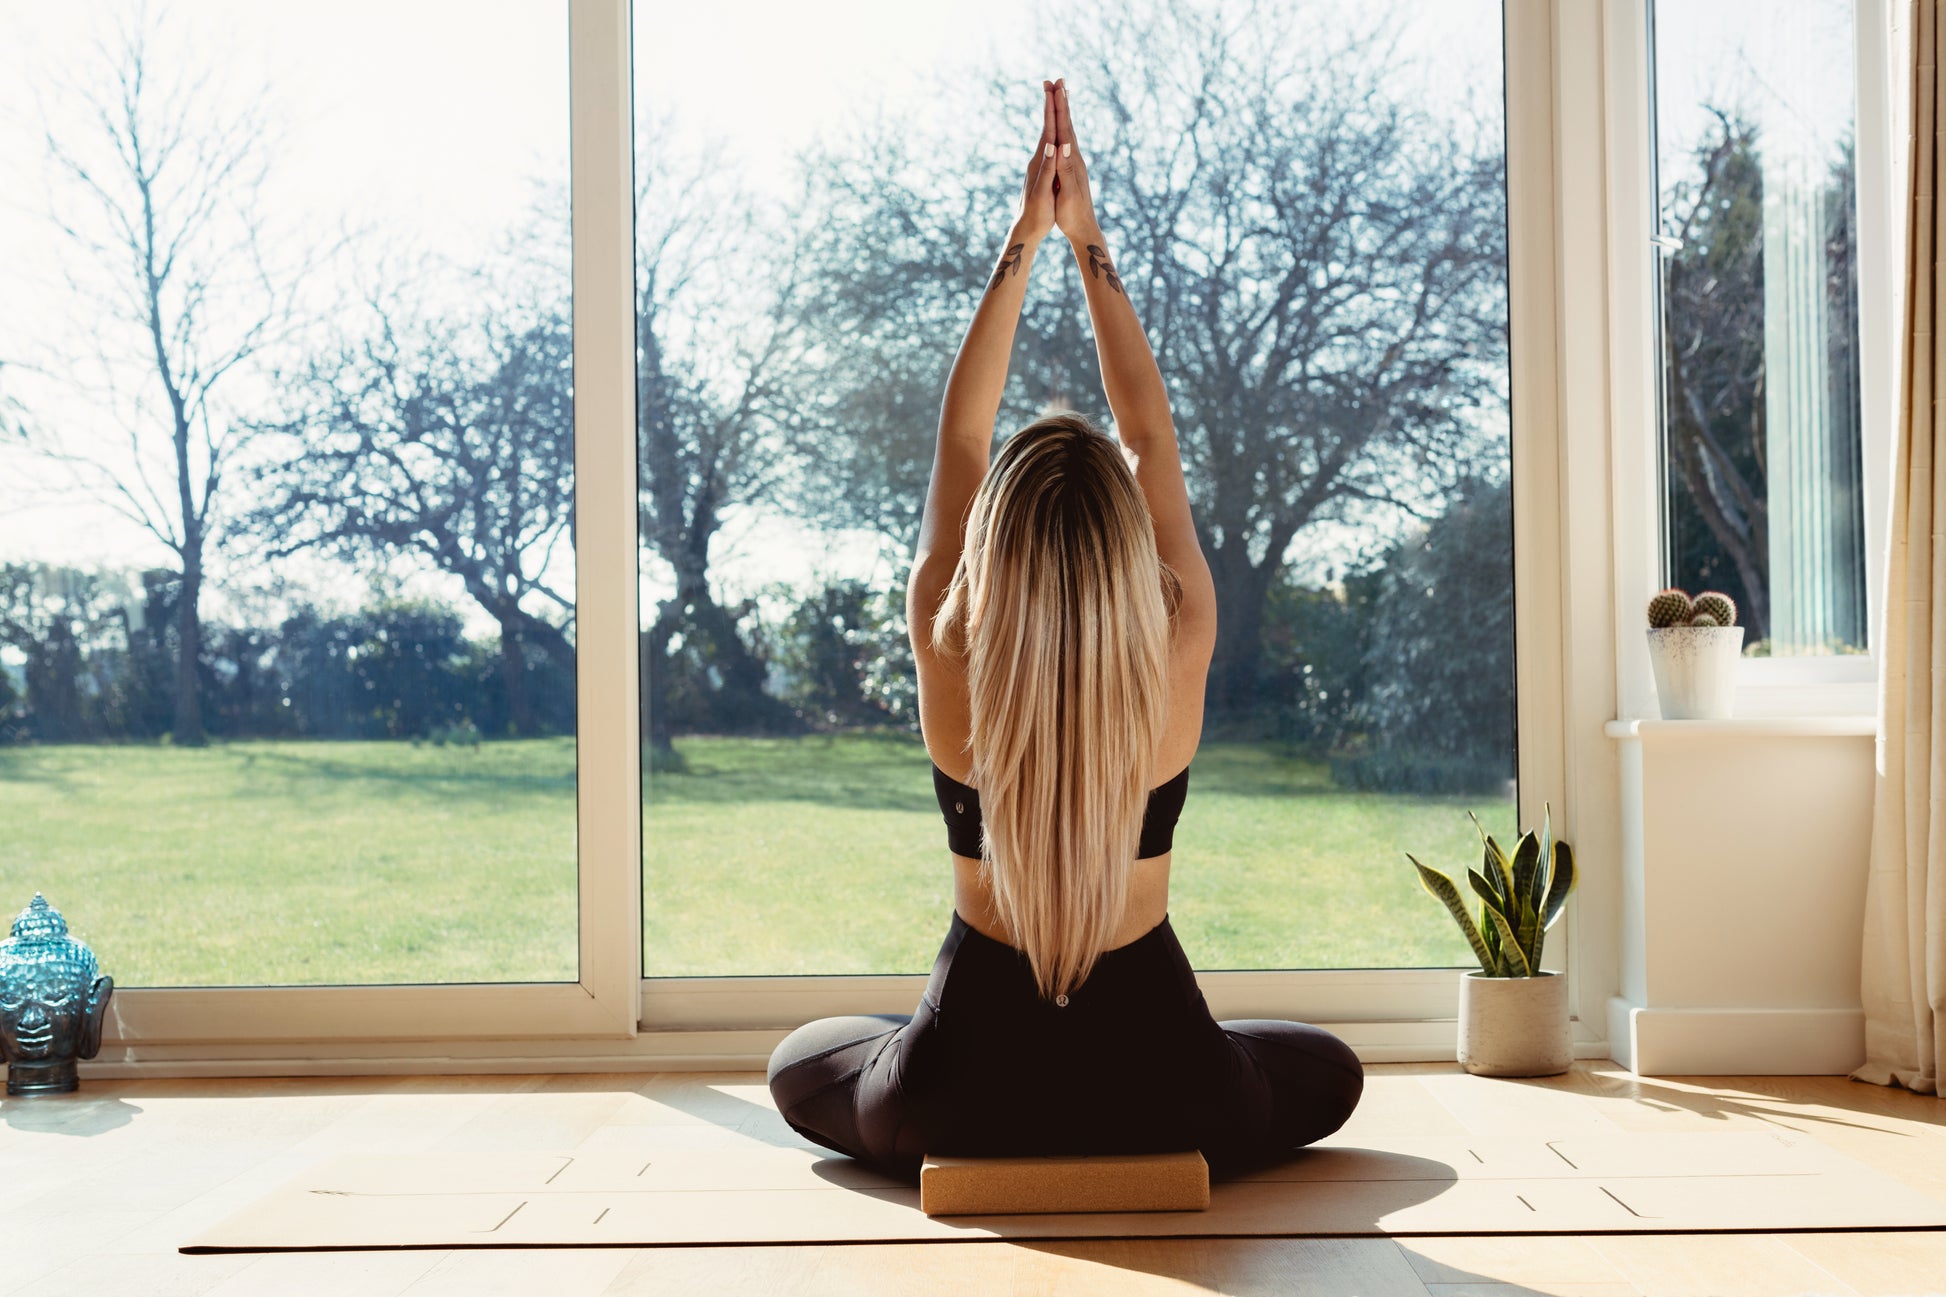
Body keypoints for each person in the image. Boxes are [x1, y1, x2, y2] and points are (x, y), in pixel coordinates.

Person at [766, 77, 1363, 1184]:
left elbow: (960, 438)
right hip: (1167, 1083)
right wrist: (1089, 243)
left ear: (991, 546)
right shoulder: (1179, 628)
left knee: (804, 1060)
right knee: (1326, 1067)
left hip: (959, 1090)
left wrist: (1024, 240)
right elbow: (1149, 435)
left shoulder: (947, 630)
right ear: (1124, 546)